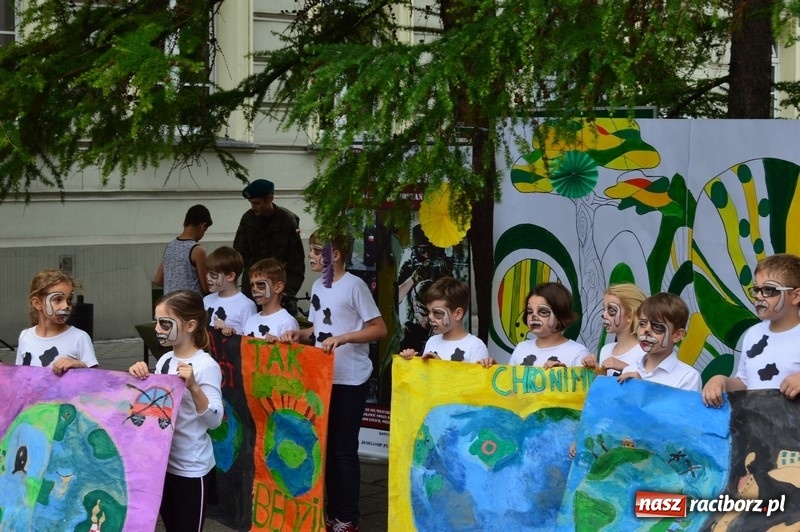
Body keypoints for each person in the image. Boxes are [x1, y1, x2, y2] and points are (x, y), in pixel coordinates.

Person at [279, 230, 387, 532]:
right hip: (322, 378)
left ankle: (348, 517)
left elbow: (379, 328)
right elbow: (317, 328)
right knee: (324, 448)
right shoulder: (317, 285)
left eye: (316, 250)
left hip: (350, 379)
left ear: (334, 255)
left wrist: (344, 338)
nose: (311, 256)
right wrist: (299, 335)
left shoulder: (355, 286)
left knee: (342, 449)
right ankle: (331, 511)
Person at [128, 290, 223, 532]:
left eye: (164, 322)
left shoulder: (205, 366)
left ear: (190, 325)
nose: (157, 328)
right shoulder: (164, 361)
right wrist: (141, 379)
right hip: (162, 466)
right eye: (156, 321)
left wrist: (193, 387)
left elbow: (215, 420)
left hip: (191, 469)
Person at [703, 253, 800, 406]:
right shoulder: (753, 333)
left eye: (769, 290)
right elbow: (745, 383)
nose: (759, 296)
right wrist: (721, 381)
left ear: (795, 296)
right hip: (755, 425)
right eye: (756, 289)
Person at [233, 179, 305, 308]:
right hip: (252, 291)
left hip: (278, 291)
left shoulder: (287, 220)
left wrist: (287, 292)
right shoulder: (248, 219)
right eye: (251, 203)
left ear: (270, 198)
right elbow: (238, 254)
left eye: (257, 203)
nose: (253, 207)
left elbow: (296, 262)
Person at [16, 269, 98, 374]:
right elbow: (18, 376)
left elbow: (97, 379)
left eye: (69, 300)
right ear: (37, 303)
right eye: (58, 300)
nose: (66, 306)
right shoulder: (25, 336)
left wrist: (80, 365)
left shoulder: (79, 338)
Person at [618, 292, 702, 392]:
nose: (646, 331)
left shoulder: (688, 377)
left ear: (677, 335)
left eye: (657, 327)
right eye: (642, 324)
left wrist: (642, 386)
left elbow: (675, 408)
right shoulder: (629, 370)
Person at [399, 276, 490, 365]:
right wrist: (412, 361)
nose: (430, 317)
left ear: (457, 314)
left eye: (437, 313)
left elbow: (476, 379)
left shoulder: (475, 347)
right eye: (428, 312)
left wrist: (441, 365)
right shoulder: (431, 341)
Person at [506, 282, 589, 368]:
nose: (534, 316)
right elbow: (508, 380)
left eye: (543, 312)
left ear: (561, 315)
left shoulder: (577, 353)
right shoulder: (521, 349)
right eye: (530, 311)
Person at [582, 283, 648, 376]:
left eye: (611, 310)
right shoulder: (606, 349)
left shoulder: (643, 352)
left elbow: (649, 385)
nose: (604, 315)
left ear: (629, 316)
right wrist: (595, 369)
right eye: (603, 309)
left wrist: (626, 368)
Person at [155, 204, 213, 296]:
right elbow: (206, 287)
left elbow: (158, 280)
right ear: (203, 226)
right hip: (189, 305)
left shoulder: (170, 246)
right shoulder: (197, 250)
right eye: (205, 231)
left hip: (169, 304)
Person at [203, 246, 256, 336]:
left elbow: (250, 339)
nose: (207, 277)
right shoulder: (206, 300)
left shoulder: (246, 306)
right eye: (207, 272)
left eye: (213, 274)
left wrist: (230, 332)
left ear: (230, 276)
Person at [243, 258, 300, 340]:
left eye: (260, 284)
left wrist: (277, 344)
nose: (254, 289)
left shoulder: (286, 322)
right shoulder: (250, 320)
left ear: (278, 287)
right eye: (252, 285)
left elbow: (292, 352)